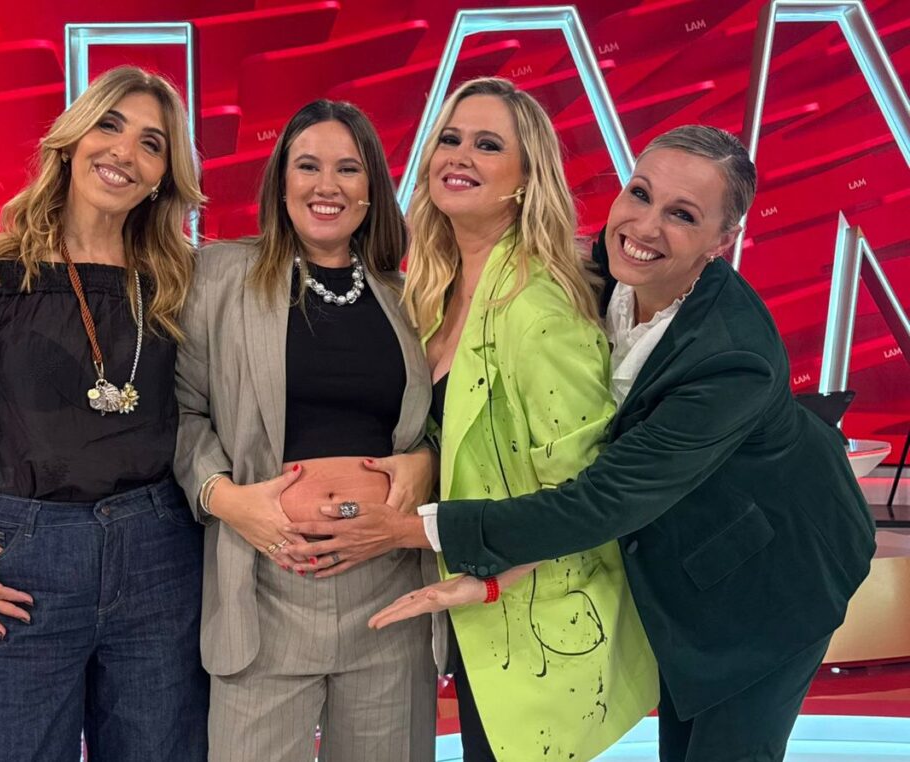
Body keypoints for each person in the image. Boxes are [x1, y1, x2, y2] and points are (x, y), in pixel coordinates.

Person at [295, 125, 877, 762]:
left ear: (723, 239)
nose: (645, 226)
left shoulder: (732, 359)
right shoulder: (603, 266)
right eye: (640, 194)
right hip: (677, 549)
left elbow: (601, 502)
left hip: (770, 577)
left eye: (682, 215)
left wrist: (409, 529)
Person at [293, 77, 658, 762]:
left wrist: (464, 564)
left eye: (488, 145)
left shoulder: (541, 311)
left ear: (525, 179)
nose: (458, 156)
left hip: (539, 621)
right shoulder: (434, 289)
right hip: (476, 616)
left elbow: (583, 499)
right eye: (451, 139)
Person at [0, 66, 209, 760]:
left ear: (164, 176)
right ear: (71, 140)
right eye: (109, 125)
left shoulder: (177, 281)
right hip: (21, 559)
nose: (124, 152)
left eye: (151, 143)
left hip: (159, 556)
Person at [174, 99, 436, 762]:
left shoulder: (408, 294)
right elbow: (180, 412)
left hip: (388, 589)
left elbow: (442, 419)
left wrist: (427, 461)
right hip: (261, 588)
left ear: (372, 188)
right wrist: (228, 499)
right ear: (281, 182)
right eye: (308, 166)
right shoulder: (219, 275)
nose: (327, 185)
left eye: (348, 169)